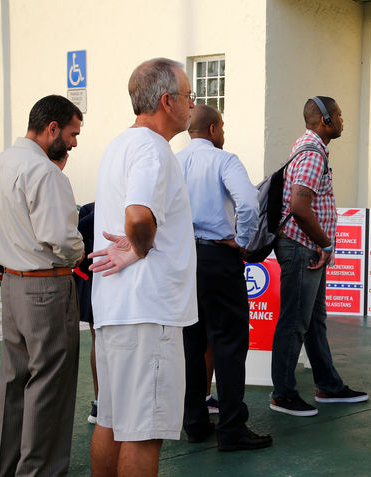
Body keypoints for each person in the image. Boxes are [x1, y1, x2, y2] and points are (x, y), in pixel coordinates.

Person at [88, 58, 197, 476]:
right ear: (167, 101)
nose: (192, 104)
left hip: (117, 309)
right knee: (143, 433)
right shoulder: (153, 150)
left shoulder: (119, 145)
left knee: (112, 423)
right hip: (149, 312)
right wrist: (139, 250)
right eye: (188, 96)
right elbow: (137, 215)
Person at [0, 95, 84, 476]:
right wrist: (81, 249)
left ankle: (7, 471)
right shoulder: (45, 174)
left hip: (11, 285)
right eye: (73, 134)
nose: (75, 143)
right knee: (49, 391)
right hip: (46, 288)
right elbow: (63, 239)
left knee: (14, 384)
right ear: (52, 128)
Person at [176, 104, 272, 450]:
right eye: (223, 127)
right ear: (214, 129)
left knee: (191, 344)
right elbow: (248, 202)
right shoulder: (224, 160)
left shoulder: (174, 162)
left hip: (184, 260)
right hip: (219, 257)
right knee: (229, 345)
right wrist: (243, 241)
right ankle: (232, 428)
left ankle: (194, 422)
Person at [269, 96, 368, 417]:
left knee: (313, 322)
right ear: (325, 120)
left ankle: (328, 385)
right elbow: (300, 206)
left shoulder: (307, 147)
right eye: (338, 115)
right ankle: (283, 394)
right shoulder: (312, 154)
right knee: (295, 322)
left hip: (305, 247)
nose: (342, 121)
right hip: (303, 248)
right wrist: (325, 244)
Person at [73, 202, 99, 424]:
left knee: (99, 340)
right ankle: (101, 402)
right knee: (99, 340)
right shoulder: (94, 209)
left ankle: (101, 403)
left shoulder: (91, 208)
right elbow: (77, 231)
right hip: (98, 280)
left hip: (94, 280)